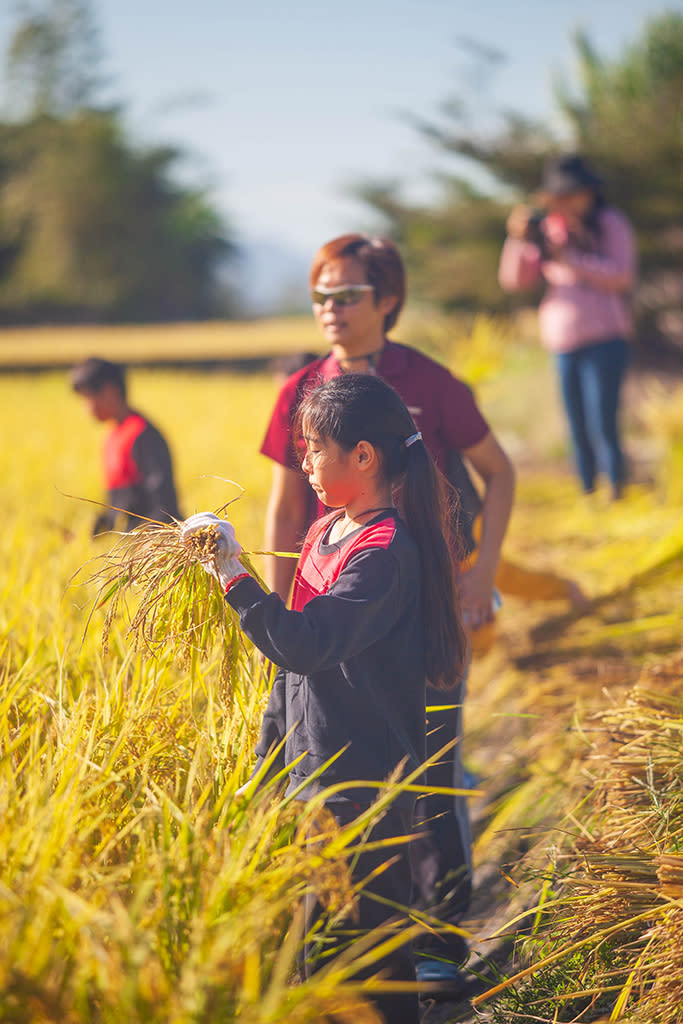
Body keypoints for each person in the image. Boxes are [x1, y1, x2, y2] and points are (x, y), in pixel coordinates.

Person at [259, 234, 516, 994]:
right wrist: (282, 611)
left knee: (430, 759)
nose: (330, 310)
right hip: (340, 609)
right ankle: (349, 950)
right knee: (342, 775)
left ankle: (434, 945)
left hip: (416, 607)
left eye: (347, 295)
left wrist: (482, 576)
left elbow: (496, 475)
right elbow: (283, 503)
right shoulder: (301, 388)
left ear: (387, 301)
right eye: (320, 296)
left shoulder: (428, 382)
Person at [181, 373, 468, 1024]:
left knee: (370, 968)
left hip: (365, 789)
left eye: (312, 447)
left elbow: (306, 643)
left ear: (362, 455)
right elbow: (293, 677)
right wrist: (268, 764)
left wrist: (232, 575)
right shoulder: (324, 536)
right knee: (321, 962)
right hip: (316, 776)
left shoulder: (384, 554)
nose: (303, 462)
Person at [499, 153, 637, 500]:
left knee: (603, 419)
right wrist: (519, 239)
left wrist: (570, 259)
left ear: (590, 193)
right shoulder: (549, 231)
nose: (566, 201)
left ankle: (616, 488)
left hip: (606, 337)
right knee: (575, 423)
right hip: (562, 340)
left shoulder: (610, 223)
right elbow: (514, 280)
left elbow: (621, 275)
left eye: (573, 193)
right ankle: (588, 491)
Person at [70, 357, 181, 534]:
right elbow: (120, 504)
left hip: (148, 545)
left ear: (110, 391)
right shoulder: (112, 435)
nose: (86, 408)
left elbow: (164, 504)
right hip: (126, 544)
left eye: (88, 398)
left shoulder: (142, 434)